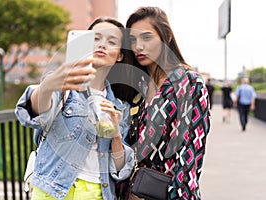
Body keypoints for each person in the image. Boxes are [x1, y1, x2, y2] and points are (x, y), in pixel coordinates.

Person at [15, 17, 134, 200]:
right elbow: (33, 113)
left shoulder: (120, 107)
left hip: (97, 193)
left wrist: (116, 134)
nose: (102, 45)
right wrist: (50, 84)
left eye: (111, 42)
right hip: (51, 191)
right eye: (95, 38)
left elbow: (120, 170)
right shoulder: (63, 87)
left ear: (119, 56)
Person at [117, 7, 211, 200]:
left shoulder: (188, 83)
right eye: (133, 40)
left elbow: (189, 158)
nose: (138, 47)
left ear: (166, 36)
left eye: (147, 38)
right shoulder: (139, 87)